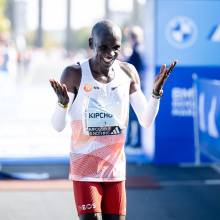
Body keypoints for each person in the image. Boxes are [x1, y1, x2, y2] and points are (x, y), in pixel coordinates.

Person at [49, 19, 177, 220]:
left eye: (116, 48)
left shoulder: (128, 72)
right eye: (104, 47)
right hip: (85, 168)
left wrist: (156, 94)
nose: (110, 53)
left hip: (115, 169)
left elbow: (145, 120)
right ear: (92, 44)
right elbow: (58, 126)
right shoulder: (74, 73)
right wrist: (63, 104)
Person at [125, 26, 145, 149]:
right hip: (137, 87)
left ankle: (134, 140)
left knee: (133, 116)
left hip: (135, 88)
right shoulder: (139, 50)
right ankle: (133, 140)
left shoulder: (136, 52)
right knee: (134, 116)